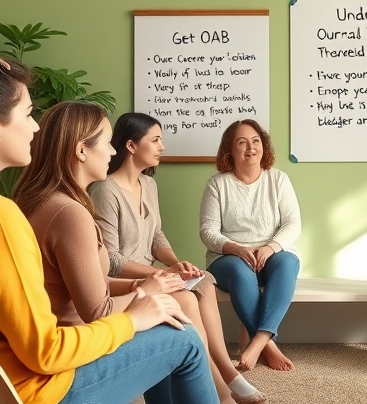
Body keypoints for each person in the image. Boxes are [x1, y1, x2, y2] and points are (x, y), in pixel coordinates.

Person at [0, 54, 218, 404]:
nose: (36, 127)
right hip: (27, 393)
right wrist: (131, 320)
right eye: (27, 113)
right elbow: (47, 353)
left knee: (162, 328)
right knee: (183, 339)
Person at [88, 111, 266, 403]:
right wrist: (159, 275)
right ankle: (224, 390)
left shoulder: (150, 185)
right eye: (155, 140)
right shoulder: (106, 191)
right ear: (132, 146)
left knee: (204, 280)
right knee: (184, 297)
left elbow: (157, 236)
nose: (162, 147)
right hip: (125, 280)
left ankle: (225, 372)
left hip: (152, 273)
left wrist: (175, 263)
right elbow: (112, 260)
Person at [200, 119, 301, 372]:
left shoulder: (278, 179)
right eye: (242, 142)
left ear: (264, 146)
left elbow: (293, 223)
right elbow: (207, 231)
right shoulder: (217, 184)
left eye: (256, 141)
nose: (251, 147)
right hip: (229, 259)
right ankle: (268, 346)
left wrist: (270, 247)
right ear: (229, 150)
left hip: (271, 255)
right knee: (239, 269)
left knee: (288, 261)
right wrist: (235, 248)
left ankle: (258, 342)